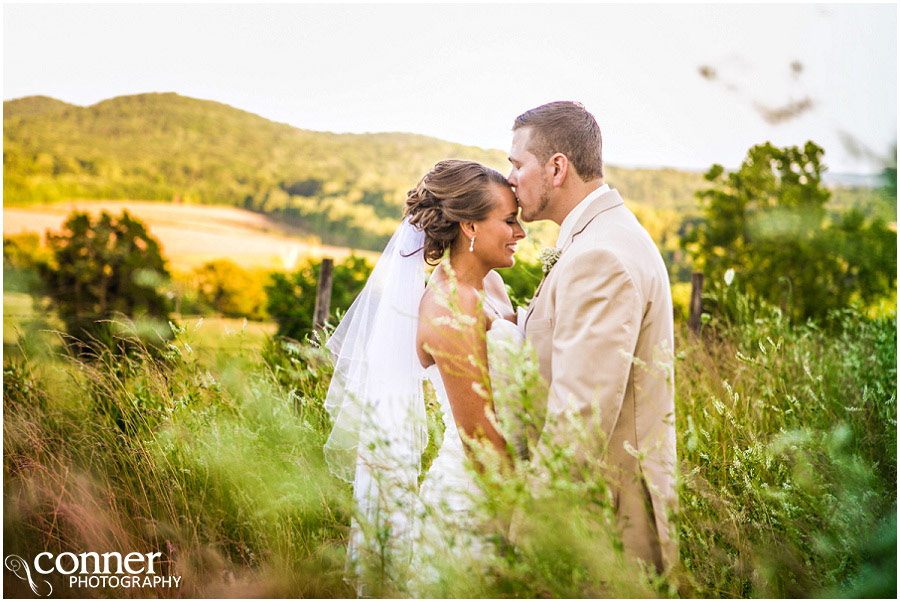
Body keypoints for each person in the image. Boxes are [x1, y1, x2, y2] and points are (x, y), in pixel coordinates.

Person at [322, 159, 526, 591]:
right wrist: (532, 521)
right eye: (509, 221)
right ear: (470, 227)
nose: (521, 233)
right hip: (473, 504)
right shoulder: (450, 306)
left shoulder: (490, 287)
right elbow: (480, 442)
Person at [507, 101, 677, 573]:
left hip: (607, 523)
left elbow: (578, 417)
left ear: (556, 167)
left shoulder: (600, 255)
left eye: (517, 165)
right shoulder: (598, 237)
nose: (511, 181)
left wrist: (528, 531)